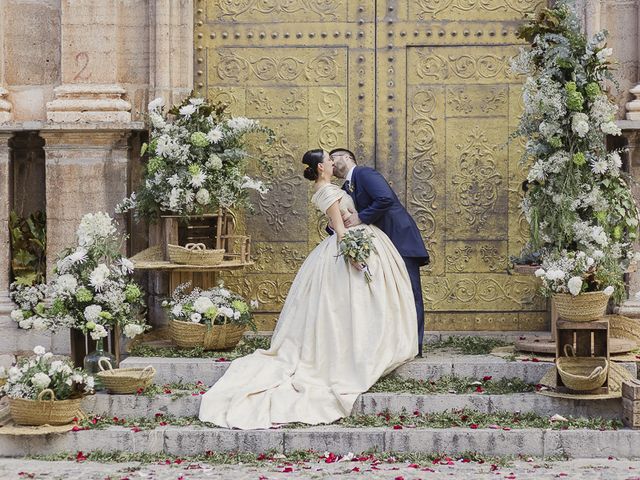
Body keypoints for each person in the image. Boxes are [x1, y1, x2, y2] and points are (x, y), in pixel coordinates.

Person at [198, 149, 417, 429]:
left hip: (360, 237)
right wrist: (353, 252)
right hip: (350, 242)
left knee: (355, 303)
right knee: (346, 303)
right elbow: (339, 229)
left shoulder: (330, 187)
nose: (332, 161)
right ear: (321, 167)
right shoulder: (326, 190)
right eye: (328, 158)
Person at [329, 148, 429, 356]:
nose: (330, 163)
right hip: (380, 248)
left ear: (347, 158)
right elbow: (345, 216)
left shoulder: (364, 173)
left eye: (333, 158)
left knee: (410, 294)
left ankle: (415, 347)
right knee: (392, 296)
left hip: (399, 239)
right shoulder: (344, 188)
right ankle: (395, 345)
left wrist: (360, 218)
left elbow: (385, 199)